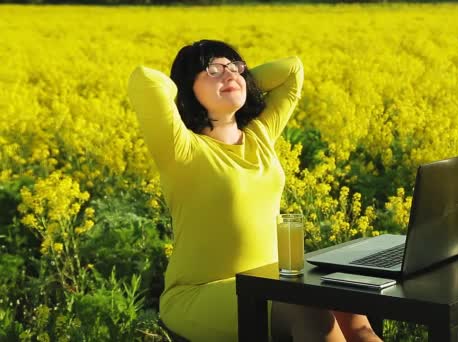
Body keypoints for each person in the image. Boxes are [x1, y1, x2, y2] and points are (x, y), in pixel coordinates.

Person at [127, 39, 382, 342]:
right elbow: (145, 80)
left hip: (272, 282)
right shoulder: (181, 149)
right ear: (188, 89)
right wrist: (193, 87)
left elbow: (292, 71)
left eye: (235, 67)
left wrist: (235, 80)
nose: (229, 74)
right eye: (213, 70)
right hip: (199, 294)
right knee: (308, 308)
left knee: (349, 305)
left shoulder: (259, 136)